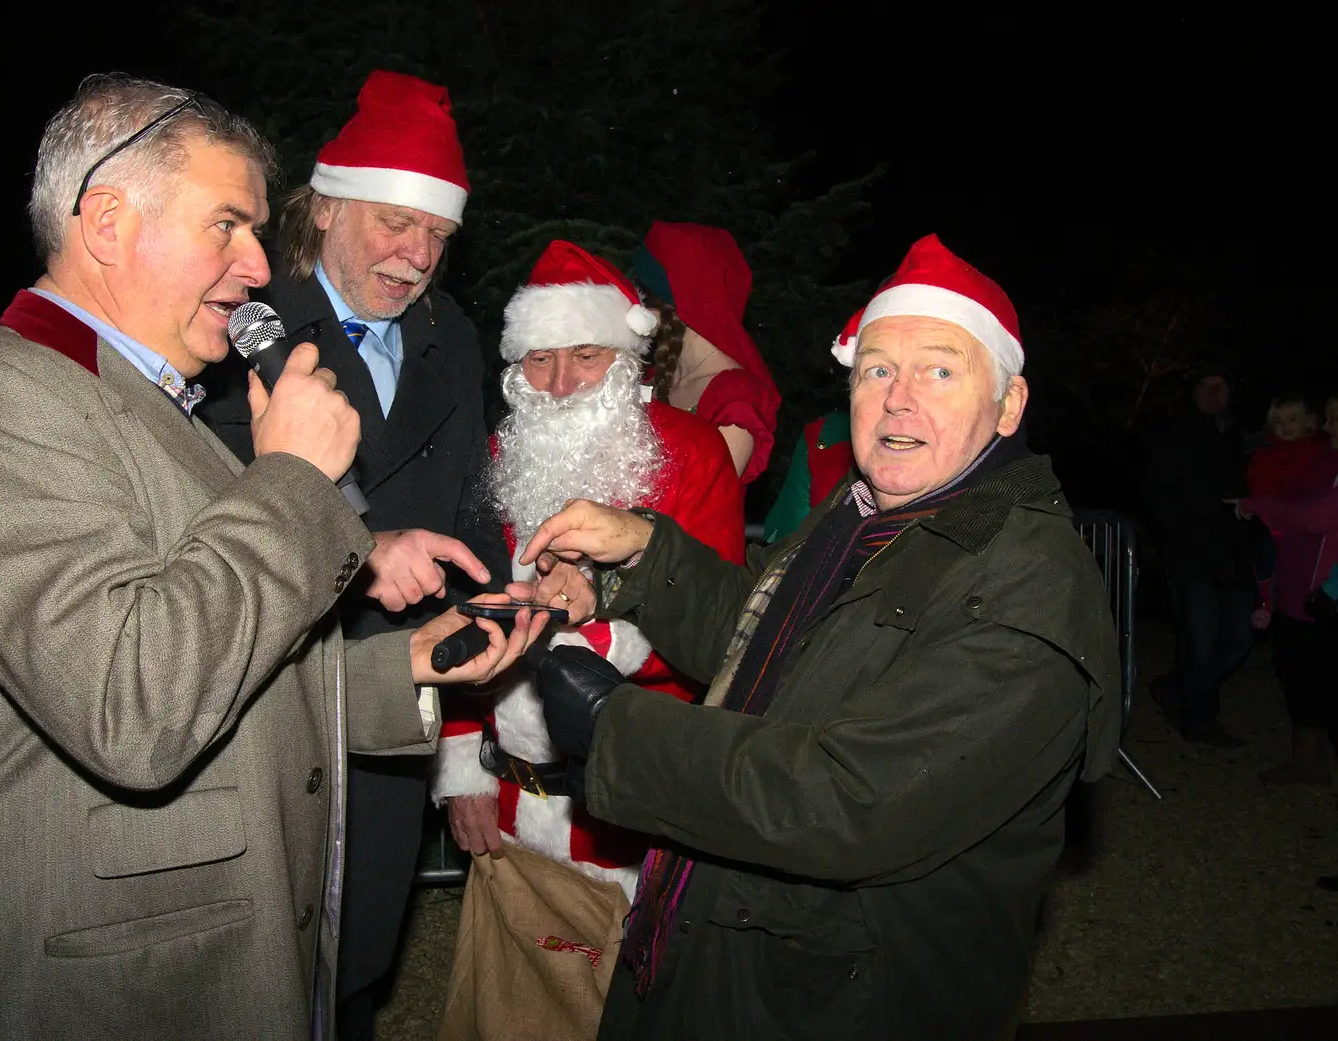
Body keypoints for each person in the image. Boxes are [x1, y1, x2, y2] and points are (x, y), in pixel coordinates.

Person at [0, 74, 542, 1041]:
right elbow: (133, 701)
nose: (254, 265)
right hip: (100, 988)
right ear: (106, 223)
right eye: (227, 226)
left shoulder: (161, 408)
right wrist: (295, 485)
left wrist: (403, 667)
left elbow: (232, 666)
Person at [520, 234, 1123, 1040]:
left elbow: (847, 801)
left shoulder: (1024, 585)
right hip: (740, 950)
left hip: (844, 995)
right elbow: (771, 637)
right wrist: (638, 556)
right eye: (877, 370)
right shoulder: (870, 512)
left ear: (1009, 405)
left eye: (939, 370)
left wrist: (613, 727)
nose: (898, 399)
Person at [194, 71, 507, 1040]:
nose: (417, 258)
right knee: (260, 960)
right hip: (272, 680)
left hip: (397, 694)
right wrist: (358, 545)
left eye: (437, 238)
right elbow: (204, 492)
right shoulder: (243, 322)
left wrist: (499, 591)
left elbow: (468, 492)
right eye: (392, 226)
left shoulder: (451, 337)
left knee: (360, 947)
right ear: (324, 207)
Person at [432, 241, 745, 1040]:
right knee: (512, 1007)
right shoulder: (500, 453)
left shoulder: (692, 452)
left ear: (627, 355)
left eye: (586, 354)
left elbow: (721, 638)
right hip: (511, 796)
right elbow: (470, 607)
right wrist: (461, 759)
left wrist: (600, 630)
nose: (563, 382)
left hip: (635, 809)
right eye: (539, 359)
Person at [1144, 372, 1257, 747]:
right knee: (1200, 639)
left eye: (1220, 386)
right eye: (1204, 386)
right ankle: (1202, 719)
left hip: (1238, 556)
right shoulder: (1174, 433)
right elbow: (1158, 495)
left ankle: (1176, 688)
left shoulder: (1242, 434)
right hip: (1191, 557)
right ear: (1192, 392)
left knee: (1240, 637)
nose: (1212, 393)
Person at [1232, 391, 1338, 784]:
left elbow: (1316, 517)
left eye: (1333, 418)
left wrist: (1263, 507)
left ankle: (1311, 761)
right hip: (1298, 586)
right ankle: (1308, 761)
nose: (1328, 426)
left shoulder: (1326, 460)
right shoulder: (1320, 459)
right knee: (1298, 674)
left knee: (1313, 675)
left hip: (1320, 591)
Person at [631, 221, 781, 485]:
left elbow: (701, 511)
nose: (631, 304)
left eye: (639, 292)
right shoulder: (652, 377)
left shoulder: (735, 400)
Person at [1245, 393, 1327, 628]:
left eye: (1292, 420)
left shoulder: (1319, 450)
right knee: (1266, 551)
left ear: (1307, 421)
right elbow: (1261, 489)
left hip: (1307, 524)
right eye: (1279, 422)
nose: (1286, 427)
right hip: (1274, 523)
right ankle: (1265, 602)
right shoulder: (1266, 453)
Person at [760, 408, 853, 542]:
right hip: (804, 548)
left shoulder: (833, 425)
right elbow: (833, 516)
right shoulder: (838, 429)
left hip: (790, 543)